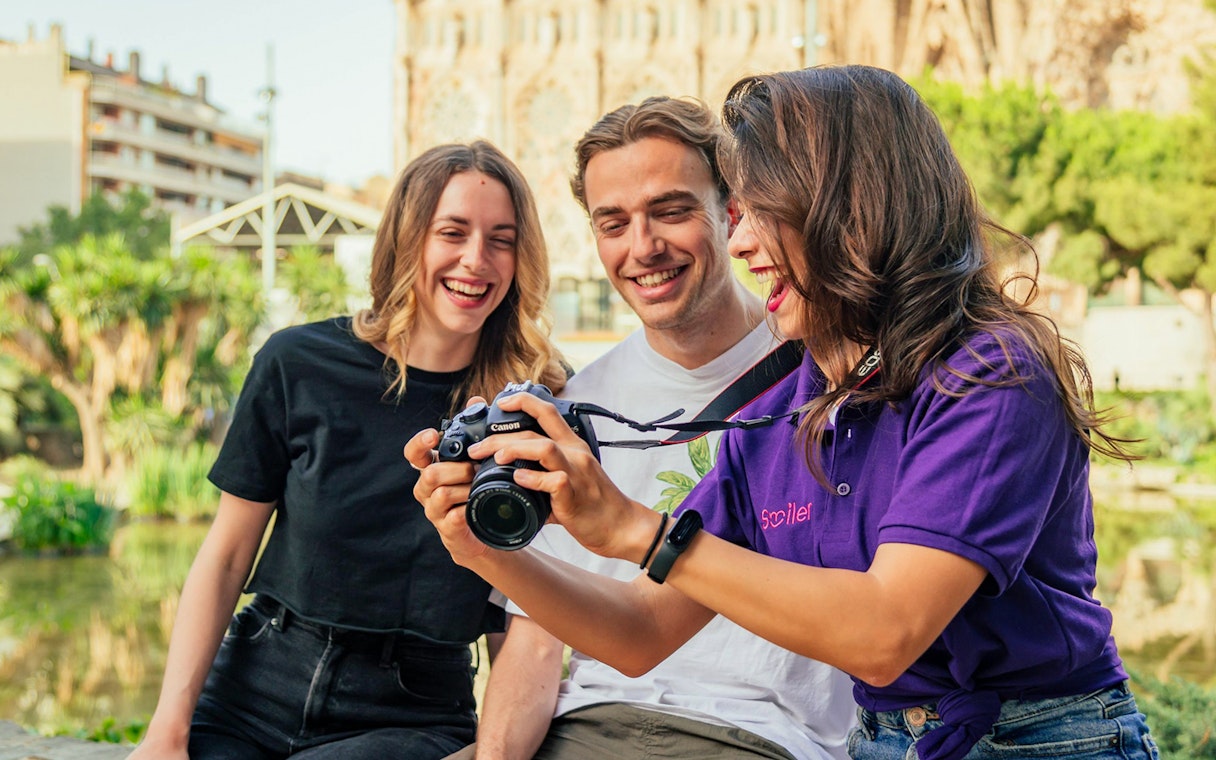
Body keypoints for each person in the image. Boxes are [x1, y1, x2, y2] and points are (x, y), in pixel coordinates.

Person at [408, 66, 1160, 760]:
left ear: (851, 207)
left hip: (1041, 739)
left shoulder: (990, 376)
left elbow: (884, 631)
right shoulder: (791, 412)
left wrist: (637, 529)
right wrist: (484, 549)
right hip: (888, 741)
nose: (740, 241)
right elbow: (639, 634)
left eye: (761, 212)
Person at [130, 140, 568, 760]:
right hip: (251, 687)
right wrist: (167, 732)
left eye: (502, 238)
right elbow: (227, 554)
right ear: (406, 238)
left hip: (410, 712)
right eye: (452, 232)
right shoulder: (297, 363)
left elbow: (530, 615)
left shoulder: (531, 404)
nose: (476, 260)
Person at [449, 98, 855, 760]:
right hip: (591, 725)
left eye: (670, 211)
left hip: (759, 736)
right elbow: (536, 644)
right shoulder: (577, 407)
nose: (644, 248)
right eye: (614, 223)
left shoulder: (825, 376)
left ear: (732, 213)